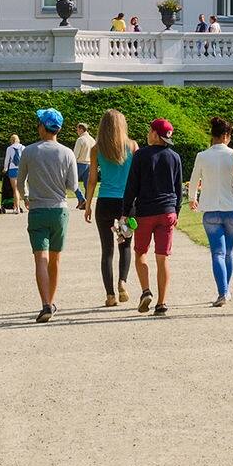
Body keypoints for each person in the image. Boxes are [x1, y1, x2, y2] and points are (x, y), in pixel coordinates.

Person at [21, 109, 77, 323]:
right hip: (59, 210)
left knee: (40, 259)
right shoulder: (67, 153)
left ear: (43, 127)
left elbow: (20, 182)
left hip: (37, 210)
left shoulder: (29, 151)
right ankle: (51, 303)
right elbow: (72, 185)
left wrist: (26, 196)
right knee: (55, 259)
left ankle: (45, 304)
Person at [126, 118, 185, 316]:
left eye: (150, 131)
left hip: (145, 213)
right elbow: (178, 188)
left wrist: (126, 212)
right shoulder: (175, 157)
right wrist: (176, 211)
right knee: (163, 258)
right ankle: (161, 303)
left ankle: (146, 291)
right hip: (167, 211)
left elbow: (132, 186)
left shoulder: (141, 155)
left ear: (154, 134)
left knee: (140, 253)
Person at [80, 109, 135, 307]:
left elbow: (92, 180)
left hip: (104, 202)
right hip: (125, 204)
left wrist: (87, 204)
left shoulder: (97, 149)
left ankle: (110, 295)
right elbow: (136, 177)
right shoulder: (132, 146)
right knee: (125, 246)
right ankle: (122, 282)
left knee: (107, 250)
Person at [188, 117, 233, 307]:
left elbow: (194, 180)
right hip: (232, 210)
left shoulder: (202, 156)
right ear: (226, 136)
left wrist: (192, 198)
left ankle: (223, 292)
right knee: (229, 253)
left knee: (217, 253)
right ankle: (226, 290)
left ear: (213, 136)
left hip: (210, 210)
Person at [72, 119, 96, 204]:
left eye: (77, 129)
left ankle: (81, 199)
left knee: (73, 182)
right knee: (88, 185)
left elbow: (75, 155)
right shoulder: (92, 140)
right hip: (90, 164)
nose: (77, 131)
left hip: (80, 164)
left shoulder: (80, 139)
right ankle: (87, 203)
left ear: (81, 129)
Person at [2, 133, 24, 211]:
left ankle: (17, 207)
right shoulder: (23, 147)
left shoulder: (9, 148)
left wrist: (5, 168)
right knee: (20, 189)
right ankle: (16, 206)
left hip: (12, 169)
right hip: (21, 169)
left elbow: (7, 159)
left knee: (15, 189)